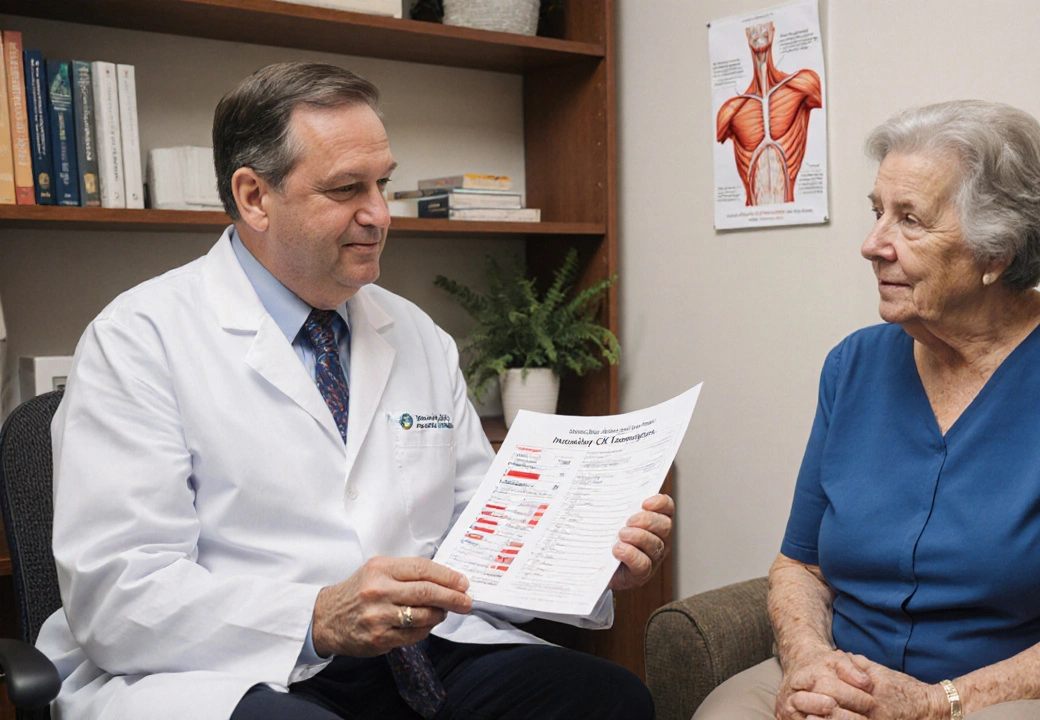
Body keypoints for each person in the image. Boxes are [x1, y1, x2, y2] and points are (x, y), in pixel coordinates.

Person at [36, 62, 670, 720]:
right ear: (255, 197)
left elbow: (475, 541)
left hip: (416, 650)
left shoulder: (418, 334)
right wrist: (316, 618)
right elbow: (119, 595)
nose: (379, 215)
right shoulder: (138, 340)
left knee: (608, 699)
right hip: (232, 663)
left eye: (383, 184)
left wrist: (584, 564)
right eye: (346, 189)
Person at [693, 100, 1040, 720]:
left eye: (909, 220)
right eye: (877, 212)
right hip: (864, 679)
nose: (872, 244)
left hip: (1034, 698)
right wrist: (810, 665)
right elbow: (800, 564)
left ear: (997, 252)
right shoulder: (852, 366)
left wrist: (937, 704)